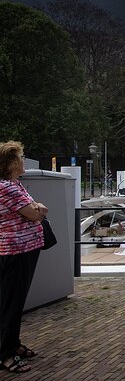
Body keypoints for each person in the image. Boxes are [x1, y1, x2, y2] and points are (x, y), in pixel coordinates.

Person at [0, 141, 48, 373]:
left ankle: (13, 344)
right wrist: (37, 209)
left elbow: (34, 209)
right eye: (20, 157)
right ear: (10, 163)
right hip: (15, 251)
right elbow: (34, 212)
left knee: (16, 300)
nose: (23, 160)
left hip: (25, 249)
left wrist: (36, 209)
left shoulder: (14, 184)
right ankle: (5, 353)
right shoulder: (6, 188)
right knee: (11, 301)